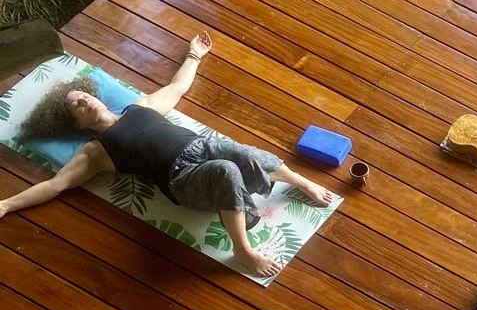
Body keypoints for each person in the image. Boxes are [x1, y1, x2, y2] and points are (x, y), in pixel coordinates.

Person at [0, 32, 335, 278]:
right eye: (76, 105)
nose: (84, 101)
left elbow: (177, 88)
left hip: (201, 146)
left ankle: (299, 182)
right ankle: (243, 249)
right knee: (225, 170)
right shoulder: (95, 151)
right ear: (76, 123)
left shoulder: (139, 106)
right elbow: (56, 185)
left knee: (236, 150)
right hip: (181, 179)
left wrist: (194, 55)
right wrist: (6, 205)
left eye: (83, 95)